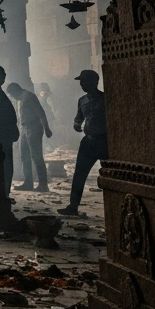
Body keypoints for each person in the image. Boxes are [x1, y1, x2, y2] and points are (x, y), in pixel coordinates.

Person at [59, 69, 107, 215]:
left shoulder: (105, 99)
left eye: (84, 81)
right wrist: (76, 124)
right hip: (88, 141)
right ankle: (73, 206)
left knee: (111, 174)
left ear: (94, 82)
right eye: (81, 82)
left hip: (105, 141)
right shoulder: (82, 101)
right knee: (79, 174)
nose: (81, 84)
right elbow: (78, 117)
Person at [7, 82, 53, 192]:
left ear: (15, 91)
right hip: (24, 129)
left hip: (34, 128)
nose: (12, 97)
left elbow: (40, 112)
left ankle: (43, 184)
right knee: (25, 156)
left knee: (37, 156)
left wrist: (46, 128)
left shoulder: (29, 96)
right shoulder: (21, 98)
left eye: (12, 94)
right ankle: (28, 182)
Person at [0, 66, 20, 201]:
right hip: (1, 136)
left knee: (7, 166)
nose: (3, 78)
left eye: (3, 75)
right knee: (5, 166)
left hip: (5, 136)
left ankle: (5, 193)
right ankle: (3, 194)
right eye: (0, 76)